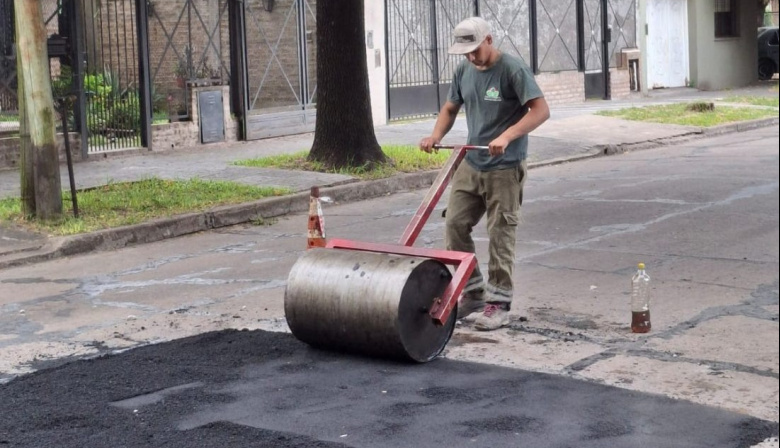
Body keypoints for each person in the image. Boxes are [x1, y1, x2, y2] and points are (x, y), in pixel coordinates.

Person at [419, 16, 550, 331]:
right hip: (472, 161)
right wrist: (436, 135)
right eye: (465, 52)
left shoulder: (512, 70)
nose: (471, 57)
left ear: (489, 40)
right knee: (454, 224)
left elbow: (541, 110)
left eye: (475, 49)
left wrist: (507, 136)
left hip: (505, 167)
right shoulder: (464, 70)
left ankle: (499, 302)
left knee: (500, 232)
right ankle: (474, 291)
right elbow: (451, 107)